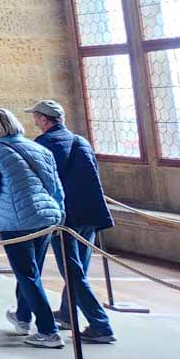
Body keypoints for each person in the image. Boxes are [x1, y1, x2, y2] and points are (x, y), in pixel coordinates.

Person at [0, 107, 66, 347]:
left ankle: (48, 330)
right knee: (30, 271)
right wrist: (59, 214)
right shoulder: (40, 149)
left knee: (26, 274)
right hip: (44, 217)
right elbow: (55, 188)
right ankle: (23, 318)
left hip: (16, 220)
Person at [28, 99, 116, 343]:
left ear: (44, 120)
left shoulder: (44, 144)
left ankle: (101, 324)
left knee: (73, 271)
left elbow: (42, 182)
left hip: (66, 217)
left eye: (36, 117)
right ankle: (67, 314)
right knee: (76, 269)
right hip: (89, 214)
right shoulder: (81, 141)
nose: (35, 121)